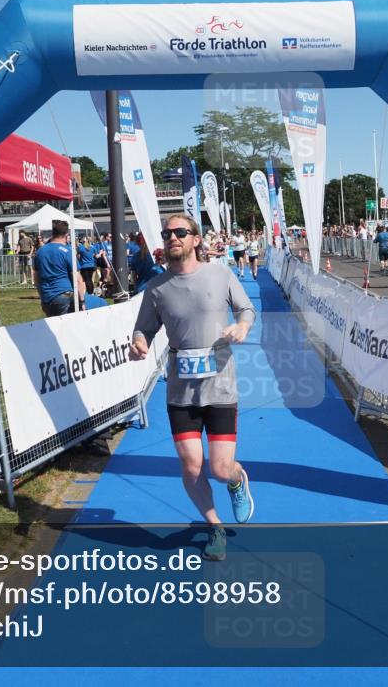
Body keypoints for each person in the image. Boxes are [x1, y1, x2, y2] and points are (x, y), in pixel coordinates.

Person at [129, 214, 256, 562]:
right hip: (180, 392)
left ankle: (235, 480)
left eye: (180, 232)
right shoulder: (156, 287)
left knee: (218, 468)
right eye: (168, 233)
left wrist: (242, 327)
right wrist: (138, 342)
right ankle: (214, 526)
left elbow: (246, 309)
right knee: (191, 466)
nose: (173, 237)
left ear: (195, 240)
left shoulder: (220, 273)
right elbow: (144, 329)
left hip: (219, 387)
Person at [33, 220, 107, 315]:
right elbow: (78, 280)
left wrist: (42, 296)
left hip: (47, 298)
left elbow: (36, 278)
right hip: (64, 296)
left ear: (53, 233)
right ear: (66, 235)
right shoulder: (67, 251)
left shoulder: (40, 251)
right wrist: (82, 302)